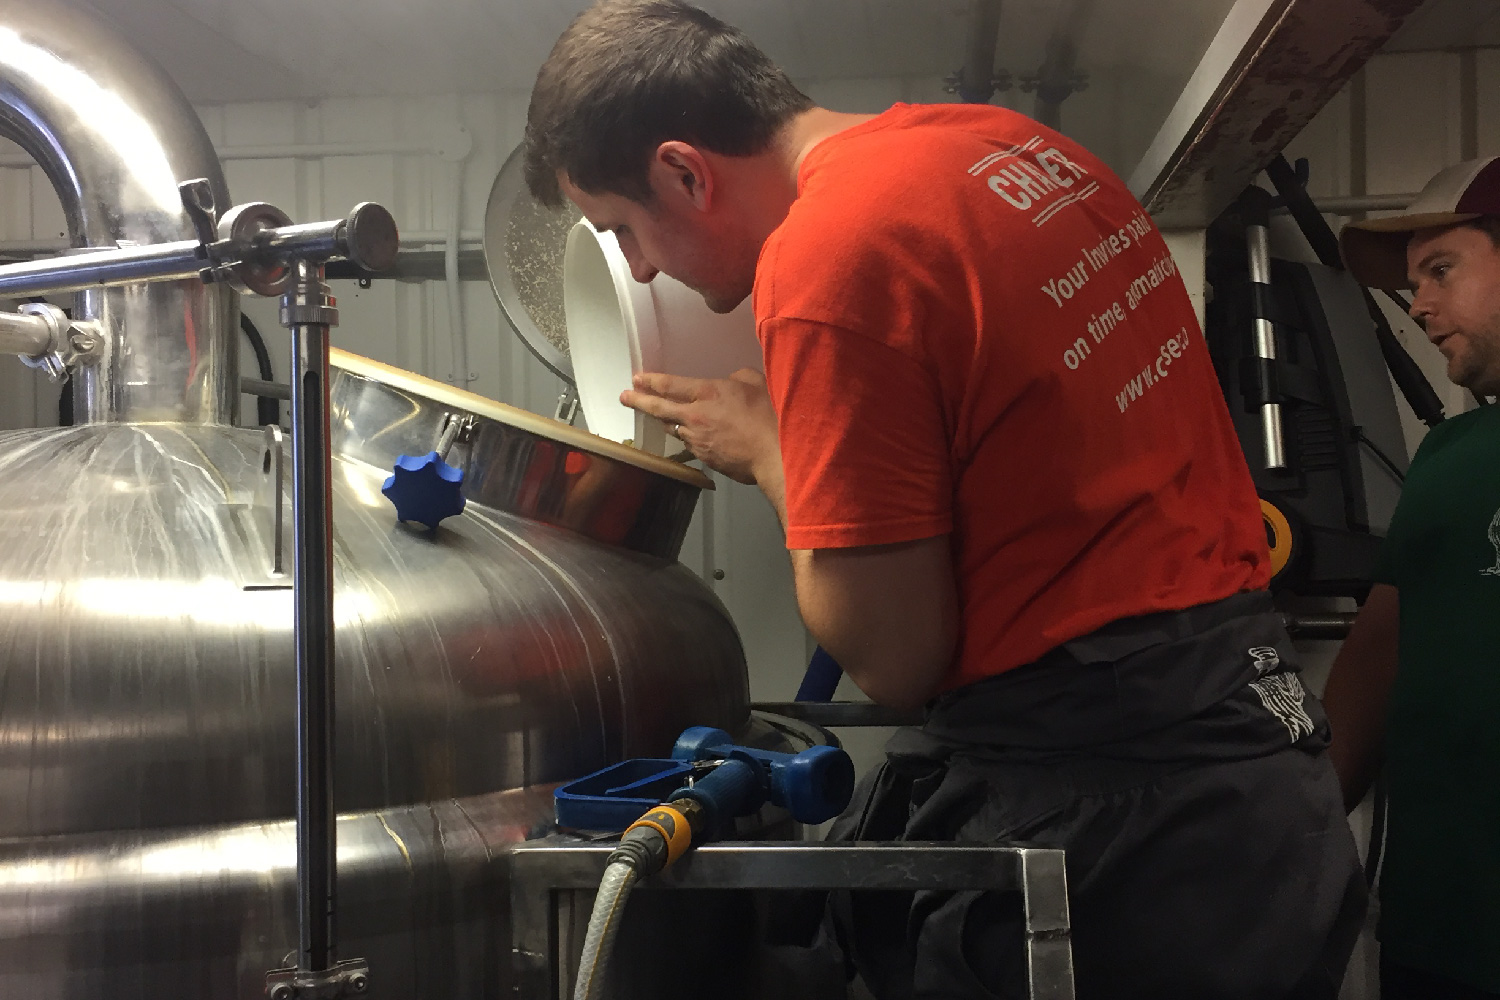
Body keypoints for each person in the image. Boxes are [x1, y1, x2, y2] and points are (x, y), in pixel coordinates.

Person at [524, 3, 1365, 996]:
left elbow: (893, 658)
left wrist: (775, 452)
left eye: (625, 231)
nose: (645, 268)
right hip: (1258, 774)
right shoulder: (1013, 152)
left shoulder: (828, 254)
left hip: (1123, 834)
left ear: (684, 172)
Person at [1326, 158, 1500, 1000]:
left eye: (1442, 271)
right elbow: (1373, 661)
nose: (1420, 307)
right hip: (1438, 927)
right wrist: (1297, 842)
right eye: (1413, 283)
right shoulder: (1445, 458)